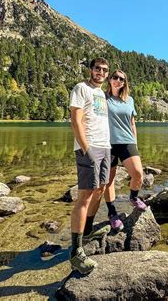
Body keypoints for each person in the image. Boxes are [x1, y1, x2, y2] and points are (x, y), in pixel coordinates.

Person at [68, 57, 112, 274]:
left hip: (105, 147)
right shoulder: (81, 88)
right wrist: (85, 148)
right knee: (85, 196)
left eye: (104, 70)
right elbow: (75, 120)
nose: (101, 73)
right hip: (90, 147)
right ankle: (76, 252)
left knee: (100, 190)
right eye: (97, 69)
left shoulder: (102, 94)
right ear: (91, 70)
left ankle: (86, 233)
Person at [104, 69, 147, 231]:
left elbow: (132, 122)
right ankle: (112, 212)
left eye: (122, 79)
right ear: (110, 80)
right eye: (115, 77)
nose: (118, 81)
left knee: (138, 174)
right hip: (108, 144)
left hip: (127, 142)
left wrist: (134, 142)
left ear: (124, 83)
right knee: (109, 181)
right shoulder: (103, 98)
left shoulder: (129, 100)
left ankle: (133, 198)